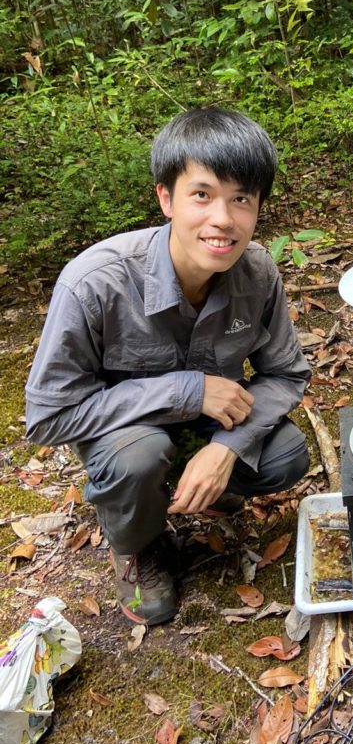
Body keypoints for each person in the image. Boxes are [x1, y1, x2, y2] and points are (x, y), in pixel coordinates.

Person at [25, 108, 311, 626]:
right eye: (201, 195)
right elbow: (48, 418)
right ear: (166, 199)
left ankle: (201, 483)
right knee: (141, 457)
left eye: (241, 198)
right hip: (127, 435)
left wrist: (227, 448)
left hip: (207, 428)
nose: (222, 219)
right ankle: (137, 544)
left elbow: (286, 374)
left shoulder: (256, 272)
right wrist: (187, 390)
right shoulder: (96, 282)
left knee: (286, 455)